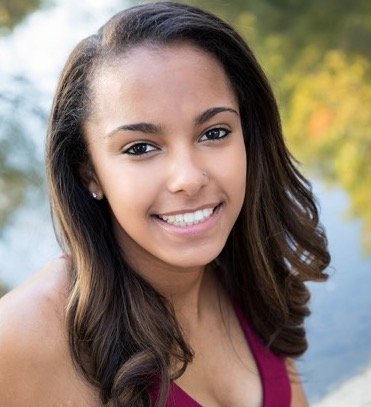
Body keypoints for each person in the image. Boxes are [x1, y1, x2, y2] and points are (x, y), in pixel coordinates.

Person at [0, 2, 330, 406]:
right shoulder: (21, 337)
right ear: (90, 173)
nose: (188, 178)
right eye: (140, 147)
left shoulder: (250, 270)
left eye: (214, 133)